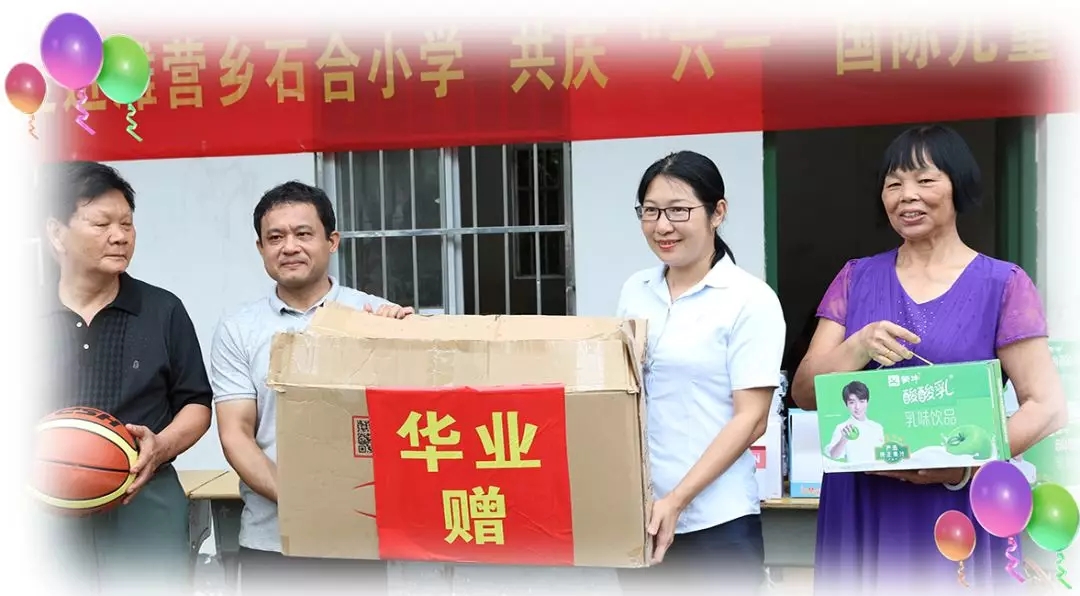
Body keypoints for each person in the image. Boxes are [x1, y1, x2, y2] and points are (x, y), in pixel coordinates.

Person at [790, 124, 1067, 594]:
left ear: (958, 185)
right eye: (893, 184)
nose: (906, 196)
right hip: (863, 497)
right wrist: (857, 347)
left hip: (956, 504)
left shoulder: (1002, 284)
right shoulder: (855, 278)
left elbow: (1047, 405)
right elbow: (804, 392)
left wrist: (965, 467)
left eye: (924, 180)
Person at [210, 181, 412, 595]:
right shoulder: (238, 329)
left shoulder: (375, 316)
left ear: (331, 241)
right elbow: (235, 433)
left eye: (303, 234)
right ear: (260, 248)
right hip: (271, 539)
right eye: (275, 237)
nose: (289, 247)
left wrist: (405, 342)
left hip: (359, 537)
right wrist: (301, 500)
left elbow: (409, 420)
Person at [37, 161, 213, 595]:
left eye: (127, 224)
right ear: (57, 233)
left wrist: (161, 447)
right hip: (42, 505)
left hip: (144, 500)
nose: (120, 236)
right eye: (101, 224)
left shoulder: (163, 310)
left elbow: (196, 404)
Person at [614, 151, 786, 595]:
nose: (662, 226)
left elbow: (751, 418)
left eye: (678, 210)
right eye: (650, 211)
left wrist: (677, 500)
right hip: (641, 517)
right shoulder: (636, 290)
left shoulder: (750, 300)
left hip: (718, 523)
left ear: (717, 212)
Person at [824, 380, 885, 464]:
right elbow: (833, 455)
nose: (857, 407)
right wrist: (844, 439)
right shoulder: (842, 428)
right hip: (855, 470)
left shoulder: (877, 427)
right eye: (852, 402)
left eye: (861, 401)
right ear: (846, 404)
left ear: (867, 402)